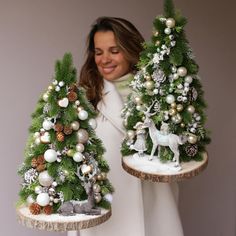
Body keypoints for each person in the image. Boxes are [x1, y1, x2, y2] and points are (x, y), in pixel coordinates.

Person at [79, 16, 184, 236]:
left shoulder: (159, 93)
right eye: (99, 52)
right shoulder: (85, 97)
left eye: (114, 51)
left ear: (130, 50)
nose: (104, 59)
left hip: (152, 205)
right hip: (106, 211)